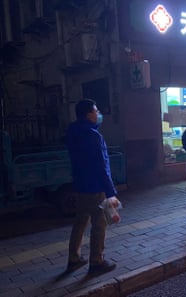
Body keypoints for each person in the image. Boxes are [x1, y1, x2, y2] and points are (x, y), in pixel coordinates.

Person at [66, 99, 117, 275]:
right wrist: (110, 192)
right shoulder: (94, 136)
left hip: (80, 185)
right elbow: (102, 166)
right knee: (99, 224)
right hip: (95, 187)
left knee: (80, 221)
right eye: (96, 111)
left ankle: (74, 258)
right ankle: (96, 262)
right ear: (88, 114)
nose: (98, 114)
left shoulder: (72, 132)